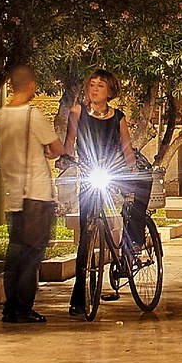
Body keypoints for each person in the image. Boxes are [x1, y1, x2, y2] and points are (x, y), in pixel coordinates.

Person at [55, 70, 147, 317]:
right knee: (86, 235)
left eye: (101, 85)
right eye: (92, 84)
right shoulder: (78, 112)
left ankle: (128, 252)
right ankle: (78, 297)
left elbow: (126, 149)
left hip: (113, 172)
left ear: (110, 91)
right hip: (88, 175)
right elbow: (70, 142)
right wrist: (65, 159)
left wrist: (132, 170)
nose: (95, 89)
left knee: (129, 205)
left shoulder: (118, 117)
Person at [0, 67, 60, 324]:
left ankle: (10, 307)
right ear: (31, 85)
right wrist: (48, 152)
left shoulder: (2, 116)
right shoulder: (33, 116)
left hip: (14, 195)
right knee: (32, 254)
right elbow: (56, 147)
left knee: (15, 254)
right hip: (37, 195)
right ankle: (22, 308)